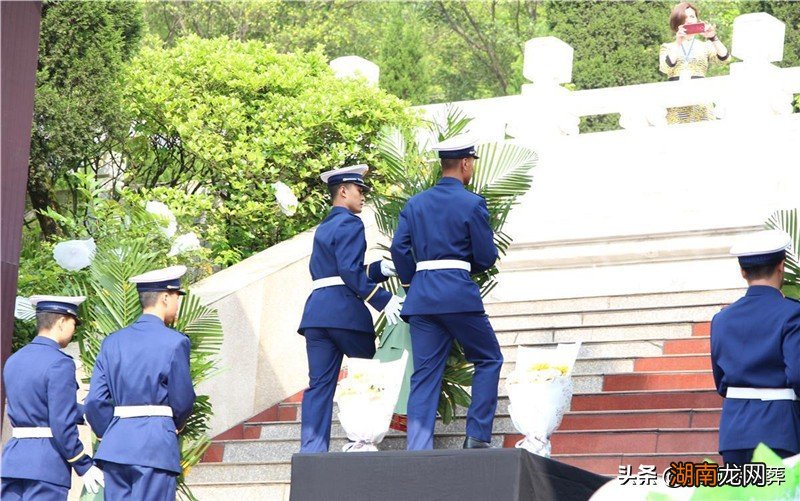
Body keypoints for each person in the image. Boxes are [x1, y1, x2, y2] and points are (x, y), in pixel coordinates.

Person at [391, 132, 504, 450]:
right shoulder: (471, 202)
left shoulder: (415, 203)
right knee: (488, 358)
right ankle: (477, 436)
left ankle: (418, 447)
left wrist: (411, 283)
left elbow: (399, 249)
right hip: (457, 294)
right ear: (466, 163)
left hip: (422, 297)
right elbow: (485, 256)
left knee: (424, 374)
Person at [297, 164, 404, 453]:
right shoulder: (351, 223)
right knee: (367, 378)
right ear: (343, 191)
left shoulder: (326, 226)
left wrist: (379, 269)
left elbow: (339, 270)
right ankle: (363, 440)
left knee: (319, 386)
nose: (363, 196)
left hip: (317, 315)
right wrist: (382, 299)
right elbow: (347, 270)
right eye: (360, 190)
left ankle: (311, 451)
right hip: (346, 315)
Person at [85, 265, 196, 500]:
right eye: (177, 297)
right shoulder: (175, 342)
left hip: (116, 447)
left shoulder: (112, 342)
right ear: (165, 297)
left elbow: (95, 400)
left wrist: (109, 431)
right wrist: (172, 424)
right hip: (154, 446)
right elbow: (183, 399)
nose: (178, 305)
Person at [1, 295, 104, 500]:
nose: (74, 331)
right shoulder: (60, 363)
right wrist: (83, 463)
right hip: (46, 464)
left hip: (13, 462)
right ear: (62, 322)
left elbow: (39, 403)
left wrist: (84, 413)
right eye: (74, 323)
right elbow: (61, 421)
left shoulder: (14, 360)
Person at [711, 230, 800, 465]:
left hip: (734, 432)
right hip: (780, 431)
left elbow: (721, 382)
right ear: (781, 266)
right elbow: (798, 376)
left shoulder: (721, 319)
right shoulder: (792, 313)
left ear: (743, 272)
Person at [659, 2, 730, 124]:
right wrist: (678, 43)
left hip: (701, 99)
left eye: (692, 16)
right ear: (677, 21)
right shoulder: (668, 47)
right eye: (684, 17)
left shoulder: (705, 46)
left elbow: (725, 59)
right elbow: (665, 68)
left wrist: (713, 37)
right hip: (676, 100)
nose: (689, 20)